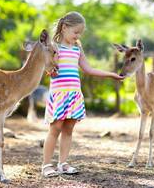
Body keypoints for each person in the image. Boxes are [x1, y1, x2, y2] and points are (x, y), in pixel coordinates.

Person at [41, 11, 124, 177]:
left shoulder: (77, 48)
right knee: (55, 128)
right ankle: (46, 165)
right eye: (76, 32)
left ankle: (63, 163)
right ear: (64, 28)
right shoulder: (54, 47)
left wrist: (111, 74)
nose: (78, 36)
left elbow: (88, 69)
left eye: (80, 33)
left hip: (74, 94)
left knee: (69, 129)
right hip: (59, 94)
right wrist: (52, 69)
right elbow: (50, 68)